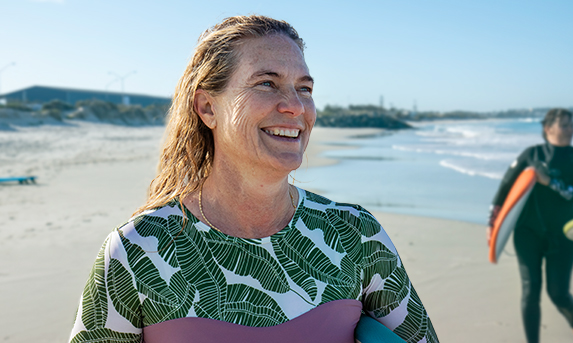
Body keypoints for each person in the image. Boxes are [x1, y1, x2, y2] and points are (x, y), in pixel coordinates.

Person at [68, 15, 438, 343]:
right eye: (266, 84)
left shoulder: (354, 234)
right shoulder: (137, 250)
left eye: (304, 88)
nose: (295, 105)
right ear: (208, 107)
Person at [487, 108, 573, 343]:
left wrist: (552, 183)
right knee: (530, 290)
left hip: (564, 235)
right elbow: (504, 189)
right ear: (548, 129)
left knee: (559, 294)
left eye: (572, 125)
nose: (570, 130)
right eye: (565, 125)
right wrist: (491, 223)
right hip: (527, 233)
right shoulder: (531, 154)